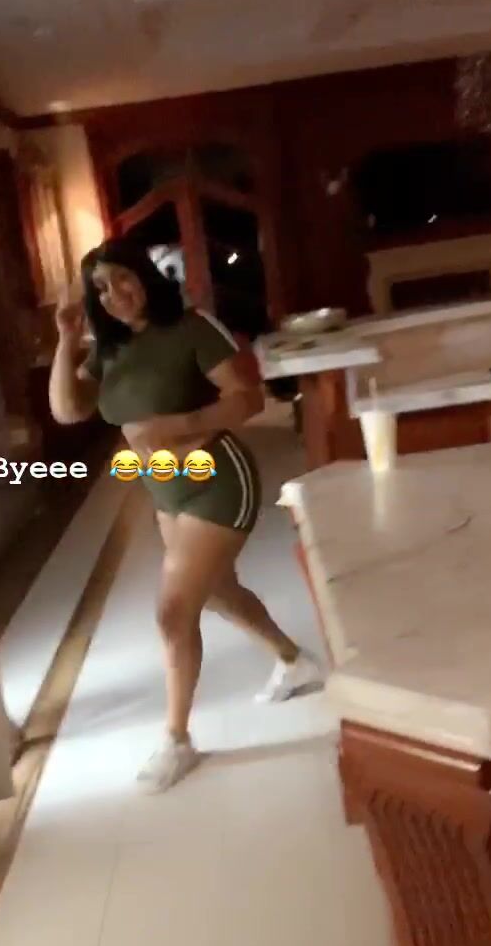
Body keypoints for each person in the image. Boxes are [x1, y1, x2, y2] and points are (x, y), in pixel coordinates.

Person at [48, 238, 322, 792]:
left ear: (145, 275)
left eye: (123, 278)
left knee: (173, 612)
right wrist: (65, 339)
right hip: (166, 491)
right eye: (101, 288)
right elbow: (67, 409)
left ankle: (177, 741)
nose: (115, 293)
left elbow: (247, 398)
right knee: (218, 591)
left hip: (217, 479)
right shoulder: (111, 348)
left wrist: (173, 426)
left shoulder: (191, 328)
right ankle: (295, 661)